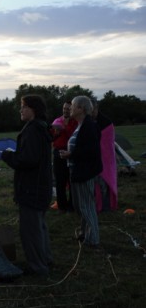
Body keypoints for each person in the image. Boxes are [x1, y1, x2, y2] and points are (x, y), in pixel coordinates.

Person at [1, 94, 53, 277]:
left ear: (33, 109)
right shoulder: (41, 127)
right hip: (40, 186)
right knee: (39, 225)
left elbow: (28, 160)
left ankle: (37, 267)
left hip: (32, 187)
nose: (20, 110)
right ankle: (45, 258)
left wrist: (7, 156)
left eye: (23, 106)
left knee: (30, 230)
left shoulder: (33, 130)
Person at [60, 96, 102, 247]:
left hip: (85, 172)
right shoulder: (81, 125)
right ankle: (85, 233)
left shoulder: (89, 126)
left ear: (81, 109)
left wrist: (71, 154)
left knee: (86, 205)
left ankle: (93, 239)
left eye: (72, 106)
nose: (70, 108)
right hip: (78, 170)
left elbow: (91, 151)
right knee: (80, 205)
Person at [51, 101, 78, 213]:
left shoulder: (75, 121)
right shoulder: (57, 121)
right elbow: (51, 137)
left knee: (72, 180)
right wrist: (56, 133)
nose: (65, 110)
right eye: (64, 108)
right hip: (58, 152)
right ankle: (62, 206)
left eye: (68, 108)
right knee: (59, 180)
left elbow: (74, 135)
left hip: (71, 152)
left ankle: (72, 206)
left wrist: (65, 128)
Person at [92, 100, 117, 212]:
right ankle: (97, 205)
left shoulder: (106, 122)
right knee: (95, 184)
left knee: (104, 183)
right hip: (94, 158)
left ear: (96, 107)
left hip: (105, 158)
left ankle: (106, 207)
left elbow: (107, 143)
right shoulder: (89, 121)